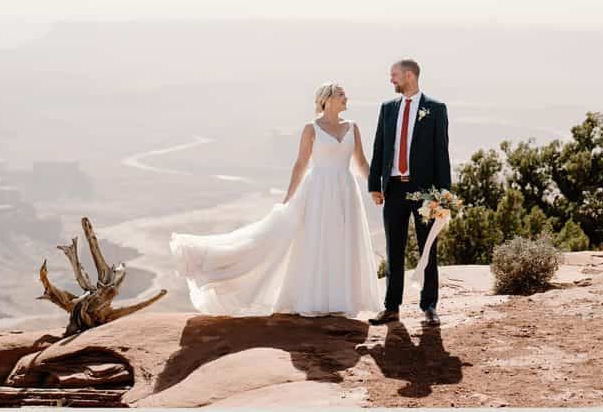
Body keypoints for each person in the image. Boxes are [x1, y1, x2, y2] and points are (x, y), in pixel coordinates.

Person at [169, 82, 383, 318]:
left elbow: (361, 162)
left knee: (342, 241)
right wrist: (289, 198)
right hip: (318, 192)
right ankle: (316, 298)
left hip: (346, 191)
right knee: (317, 241)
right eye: (342, 94)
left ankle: (340, 299)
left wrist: (375, 187)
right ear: (327, 99)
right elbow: (301, 164)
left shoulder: (352, 127)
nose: (346, 98)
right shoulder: (311, 129)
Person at [367, 58, 451, 328]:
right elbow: (379, 146)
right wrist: (374, 184)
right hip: (393, 189)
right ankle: (391, 308)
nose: (391, 80)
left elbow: (441, 153)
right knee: (394, 249)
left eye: (394, 75)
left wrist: (443, 196)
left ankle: (429, 307)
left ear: (409, 76)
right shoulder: (387, 108)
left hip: (425, 192)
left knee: (428, 248)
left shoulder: (435, 109)